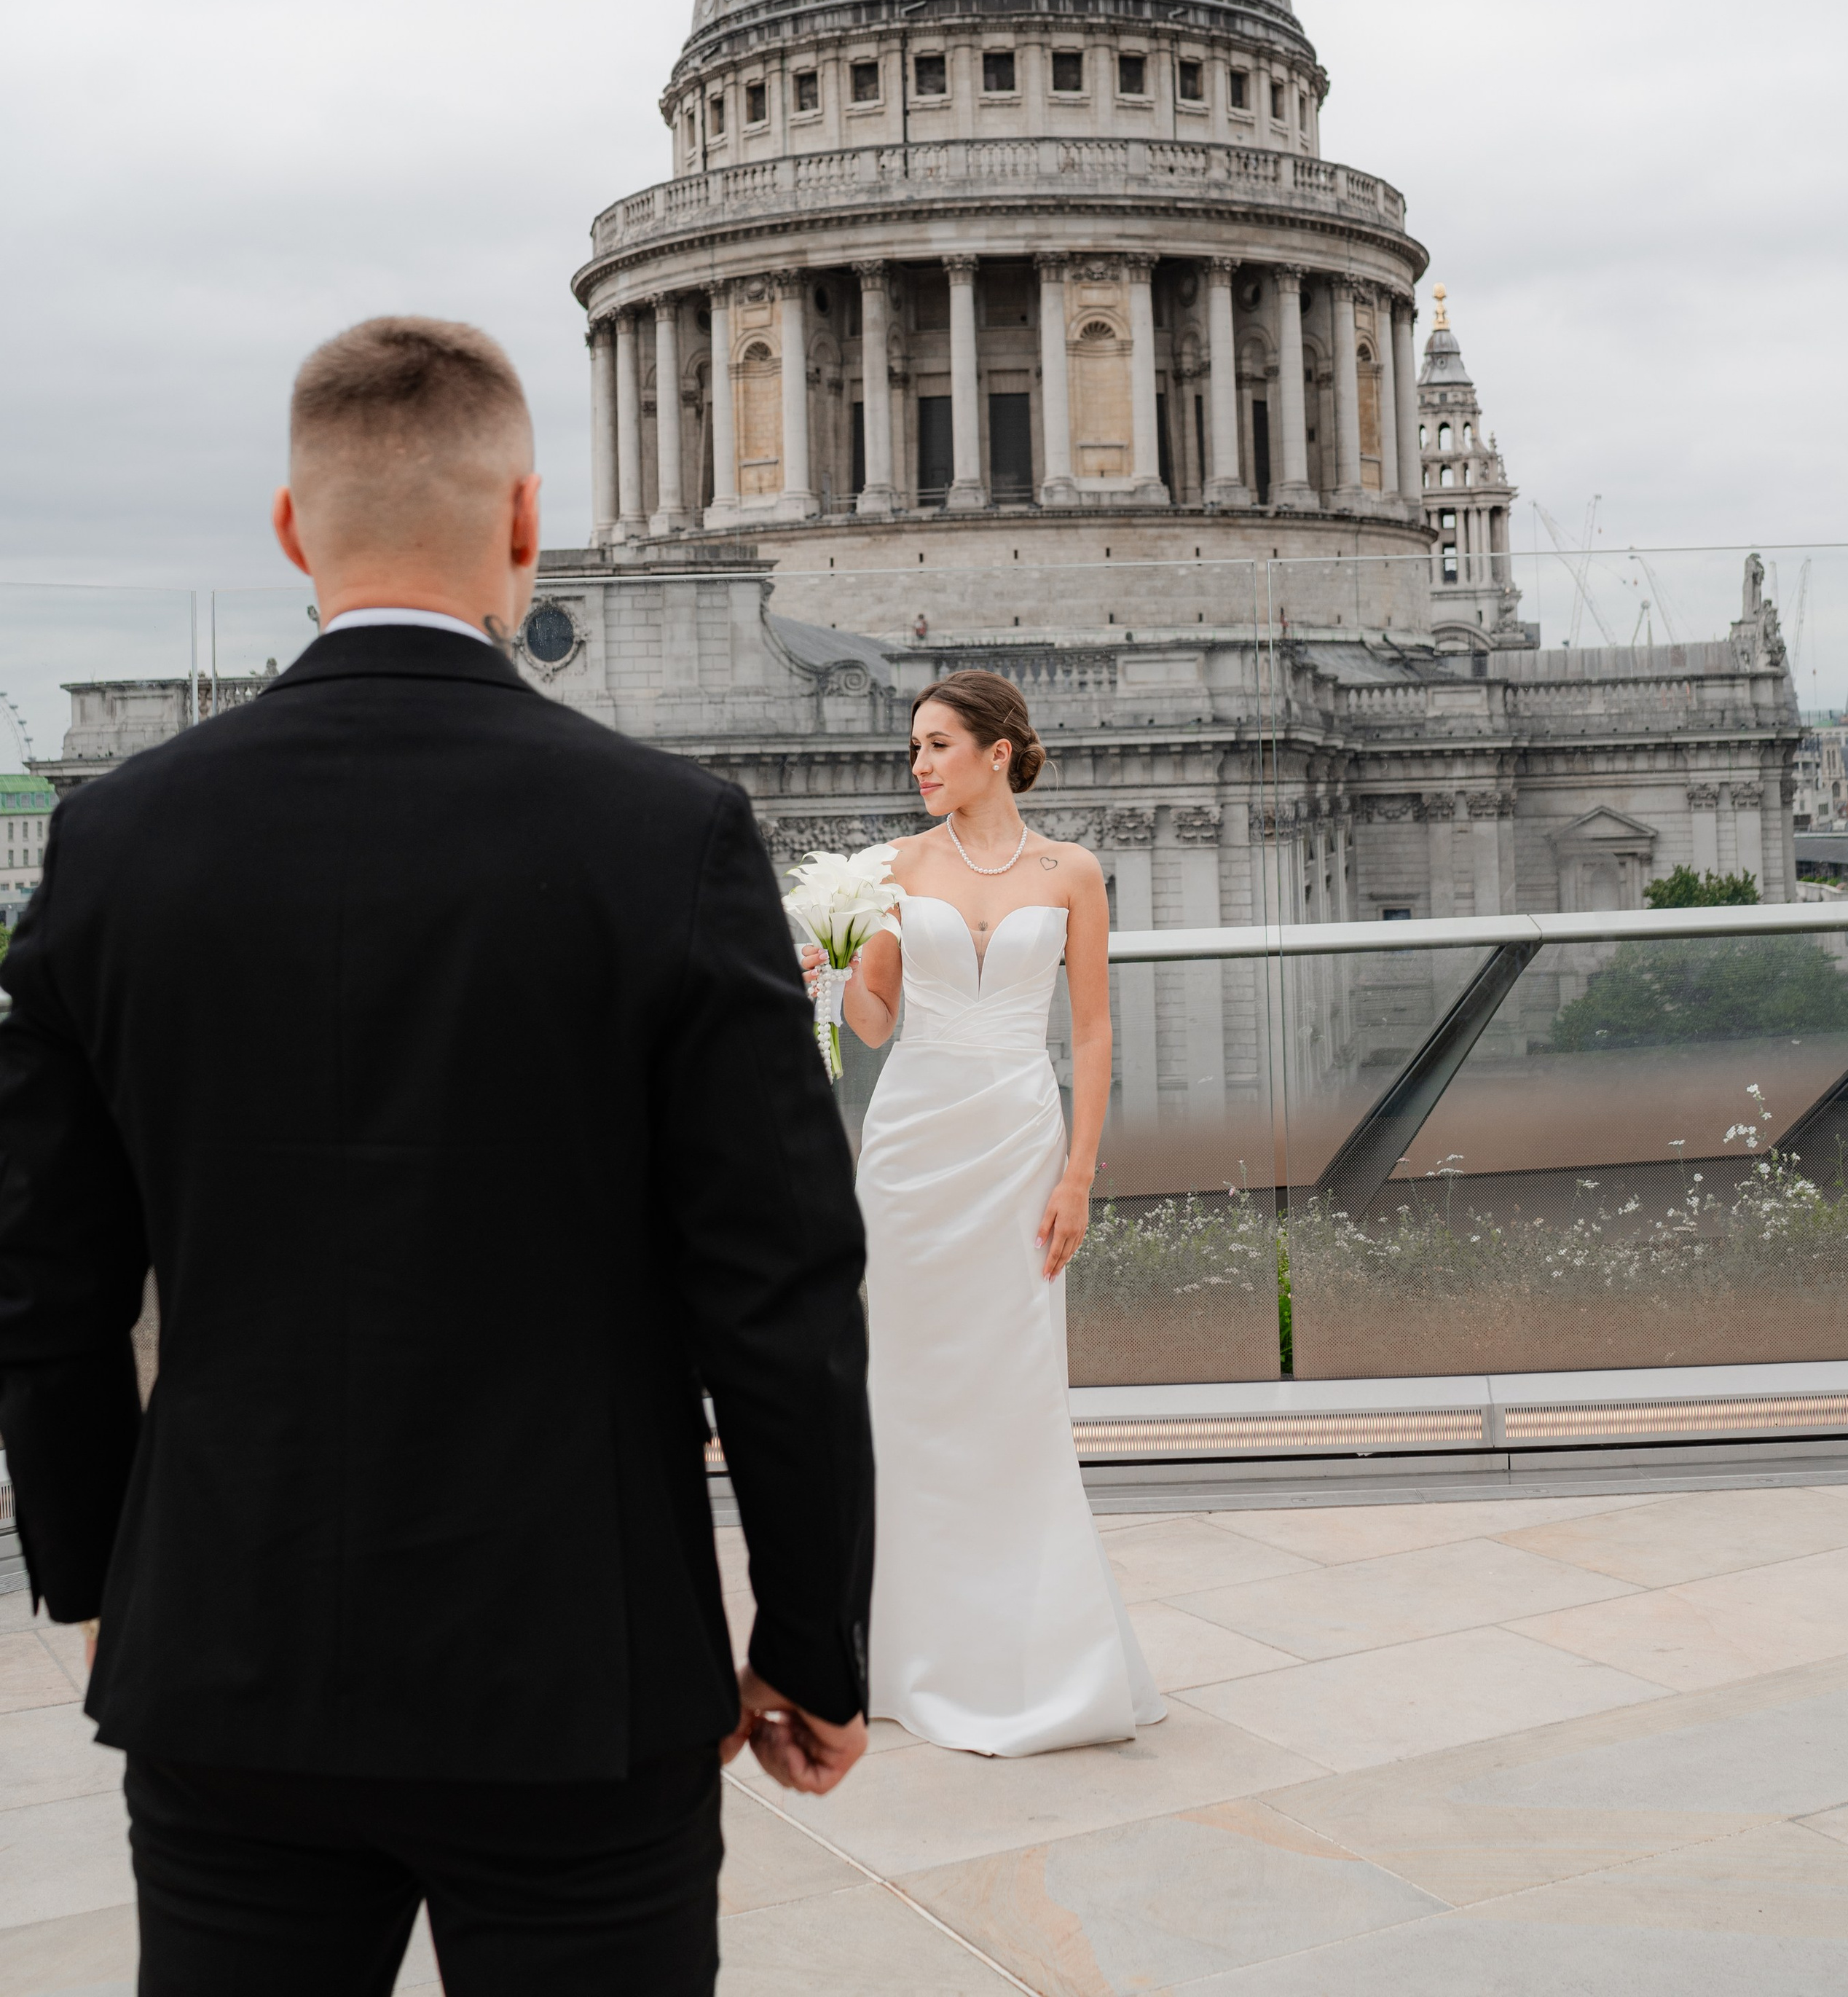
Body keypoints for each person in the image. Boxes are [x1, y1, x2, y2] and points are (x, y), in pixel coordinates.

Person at [0, 315, 873, 1996]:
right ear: (528, 521)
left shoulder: (117, 838)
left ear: (289, 529)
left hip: (224, 1648)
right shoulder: (667, 836)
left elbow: (40, 1274)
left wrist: (102, 1578)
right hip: (575, 1665)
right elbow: (779, 1296)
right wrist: (811, 1637)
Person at [806, 669, 1164, 1757]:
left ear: (999, 752)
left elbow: (1093, 1033)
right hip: (912, 1147)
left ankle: (1037, 1656)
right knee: (906, 1392)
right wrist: (824, 969)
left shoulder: (1073, 873)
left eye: (937, 745)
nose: (918, 766)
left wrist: (1079, 1177)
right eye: (913, 748)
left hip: (1018, 1141)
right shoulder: (894, 869)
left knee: (1014, 1391)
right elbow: (874, 1023)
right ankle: (907, 1658)